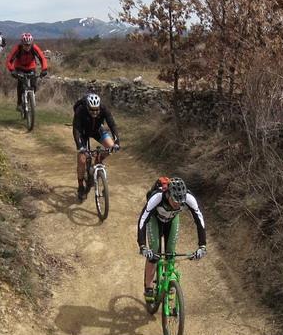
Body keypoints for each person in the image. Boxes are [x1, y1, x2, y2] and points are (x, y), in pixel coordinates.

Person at [136, 176, 206, 308]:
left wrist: (202, 245)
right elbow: (143, 219)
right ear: (168, 194)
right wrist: (143, 246)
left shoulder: (188, 198)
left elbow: (199, 219)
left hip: (172, 221)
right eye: (175, 201)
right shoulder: (157, 197)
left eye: (181, 202)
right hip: (155, 220)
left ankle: (169, 282)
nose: (178, 205)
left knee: (170, 252)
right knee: (154, 252)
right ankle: (149, 286)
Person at [72, 91, 120, 202]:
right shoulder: (80, 110)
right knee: (82, 160)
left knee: (110, 146)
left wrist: (117, 142)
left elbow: (112, 125)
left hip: (97, 130)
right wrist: (80, 147)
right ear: (87, 107)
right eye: (92, 110)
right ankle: (81, 186)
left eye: (96, 110)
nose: (94, 112)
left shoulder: (103, 108)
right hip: (83, 132)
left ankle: (98, 160)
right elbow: (76, 130)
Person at [5, 31, 48, 110]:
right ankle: (19, 103)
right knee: (20, 84)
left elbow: (42, 58)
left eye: (29, 45)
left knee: (34, 84)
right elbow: (9, 60)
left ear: (31, 43)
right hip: (19, 67)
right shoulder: (18, 48)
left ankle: (30, 99)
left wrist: (44, 69)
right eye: (25, 45)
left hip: (31, 67)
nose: (27, 47)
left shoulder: (34, 48)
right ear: (22, 43)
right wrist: (12, 70)